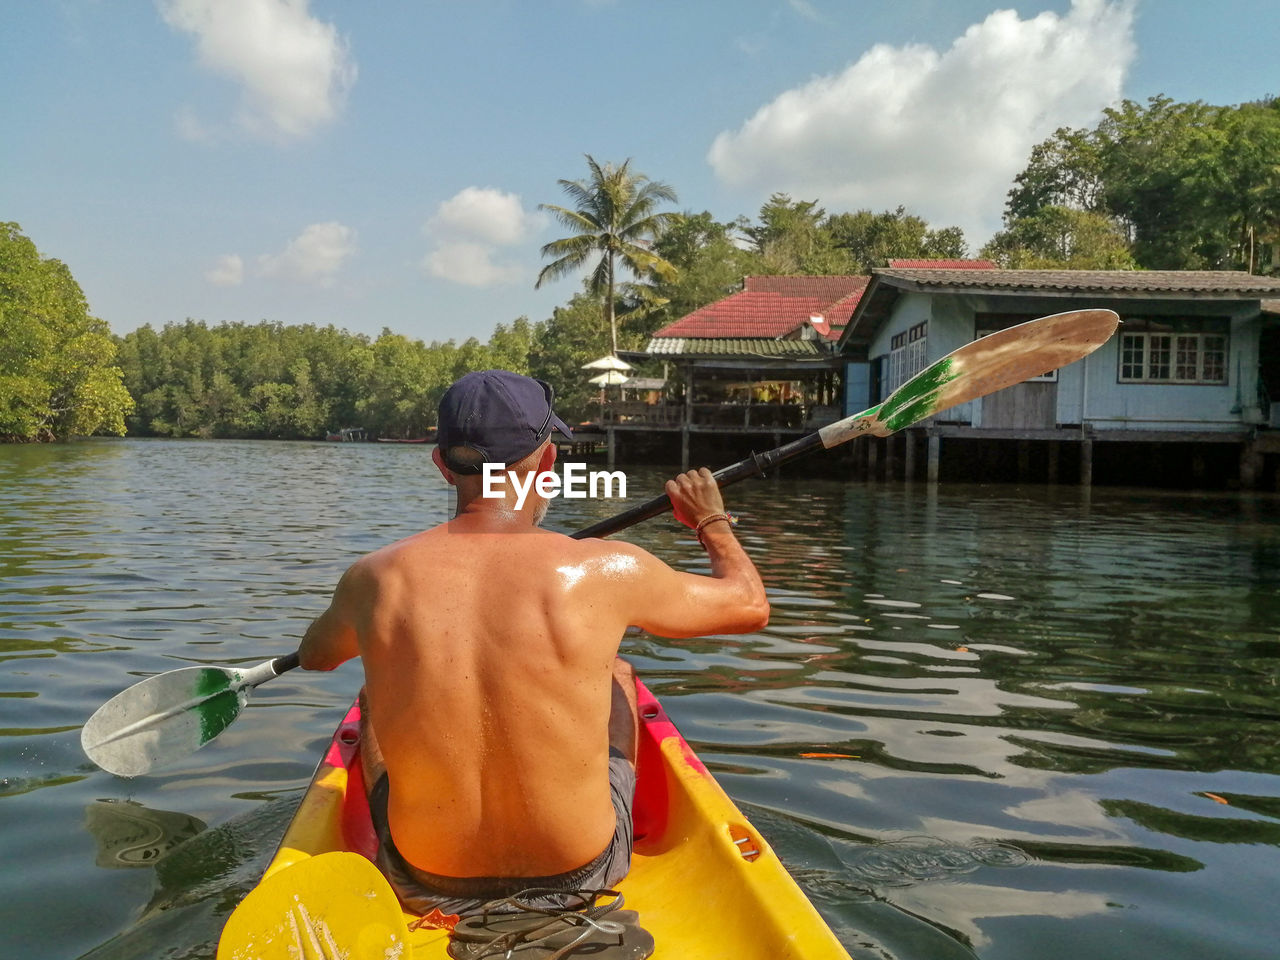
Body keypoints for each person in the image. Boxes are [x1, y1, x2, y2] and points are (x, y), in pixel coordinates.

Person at [298, 370, 769, 917]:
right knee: (616, 671)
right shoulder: (606, 569)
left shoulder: (374, 577)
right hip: (578, 871)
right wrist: (710, 519)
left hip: (425, 873)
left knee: (375, 690)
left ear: (442, 466)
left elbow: (316, 656)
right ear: (547, 464)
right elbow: (749, 606)